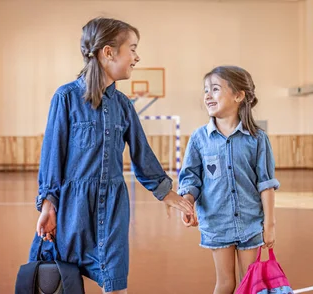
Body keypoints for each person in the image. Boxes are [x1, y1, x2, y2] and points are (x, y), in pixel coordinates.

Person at [30, 17, 193, 293]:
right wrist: (48, 205)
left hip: (114, 209)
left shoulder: (123, 105)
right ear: (108, 53)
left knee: (116, 283)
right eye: (132, 48)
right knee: (68, 281)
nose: (136, 56)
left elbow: (143, 155)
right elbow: (52, 156)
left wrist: (169, 195)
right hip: (73, 210)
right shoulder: (65, 98)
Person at [178, 65, 280, 294]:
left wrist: (269, 225)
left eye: (215, 89)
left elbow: (266, 184)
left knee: (250, 283)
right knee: (225, 283)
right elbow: (191, 178)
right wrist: (187, 202)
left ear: (238, 95)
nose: (207, 95)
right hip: (217, 223)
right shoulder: (199, 139)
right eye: (206, 90)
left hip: (251, 222)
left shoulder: (257, 139)